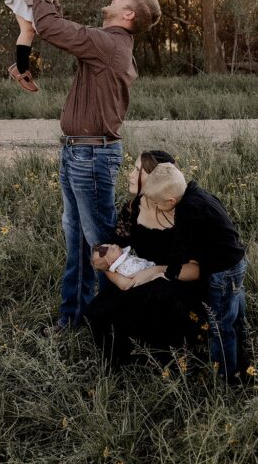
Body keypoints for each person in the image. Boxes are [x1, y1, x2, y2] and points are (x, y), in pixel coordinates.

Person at [31, 0, 162, 333]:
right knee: (78, 243)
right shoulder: (110, 45)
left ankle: (114, 325)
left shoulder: (109, 44)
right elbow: (61, 29)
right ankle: (72, 321)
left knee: (103, 245)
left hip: (91, 156)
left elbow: (50, 28)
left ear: (128, 14)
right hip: (79, 151)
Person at [84, 161, 204, 364]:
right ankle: (125, 361)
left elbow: (197, 270)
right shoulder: (133, 209)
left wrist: (157, 270)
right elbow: (111, 255)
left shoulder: (185, 213)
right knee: (99, 310)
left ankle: (166, 360)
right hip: (138, 276)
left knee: (155, 302)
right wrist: (122, 281)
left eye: (138, 170)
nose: (131, 174)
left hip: (175, 279)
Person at [147, 164, 248, 380]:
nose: (154, 207)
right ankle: (244, 353)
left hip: (222, 272)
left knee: (219, 324)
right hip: (236, 263)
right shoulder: (199, 194)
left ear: (170, 202)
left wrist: (171, 272)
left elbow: (180, 246)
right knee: (235, 312)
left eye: (156, 203)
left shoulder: (187, 211)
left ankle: (225, 375)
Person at [92, 243, 163, 289]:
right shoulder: (123, 267)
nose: (115, 245)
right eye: (113, 249)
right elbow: (135, 273)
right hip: (149, 277)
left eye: (111, 245)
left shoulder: (122, 259)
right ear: (112, 262)